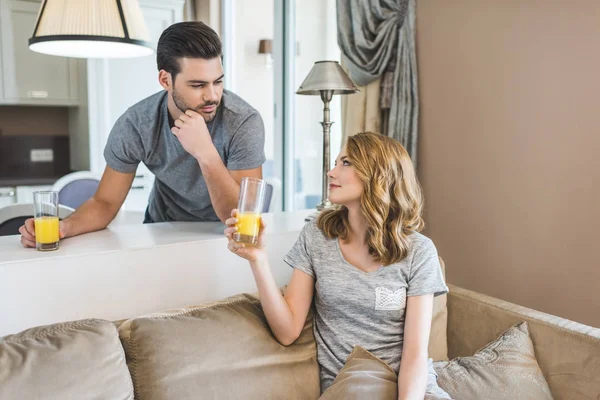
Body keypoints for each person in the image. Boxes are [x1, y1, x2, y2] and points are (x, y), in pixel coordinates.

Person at [224, 131, 449, 398]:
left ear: (378, 174)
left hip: (411, 390)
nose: (331, 173)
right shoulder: (317, 236)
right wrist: (258, 260)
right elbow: (287, 331)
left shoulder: (419, 251)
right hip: (351, 389)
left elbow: (414, 355)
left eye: (345, 163)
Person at [19, 21, 265, 248]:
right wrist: (63, 228)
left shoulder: (243, 122)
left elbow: (240, 215)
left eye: (218, 82)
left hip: (223, 236)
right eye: (198, 85)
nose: (212, 95)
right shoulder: (137, 124)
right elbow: (105, 203)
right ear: (165, 80)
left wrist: (206, 153)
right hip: (162, 229)